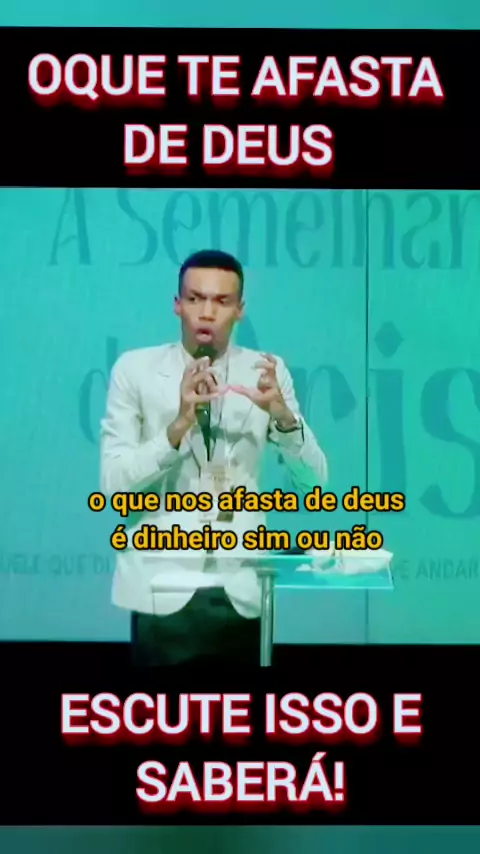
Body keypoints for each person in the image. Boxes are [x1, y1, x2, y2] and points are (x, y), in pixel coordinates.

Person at [100, 249, 328, 667]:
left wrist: (283, 417)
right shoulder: (135, 371)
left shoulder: (265, 373)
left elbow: (314, 484)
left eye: (221, 301)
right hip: (160, 587)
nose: (207, 312)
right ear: (177, 304)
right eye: (195, 298)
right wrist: (177, 428)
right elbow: (114, 486)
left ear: (240, 309)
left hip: (242, 588)